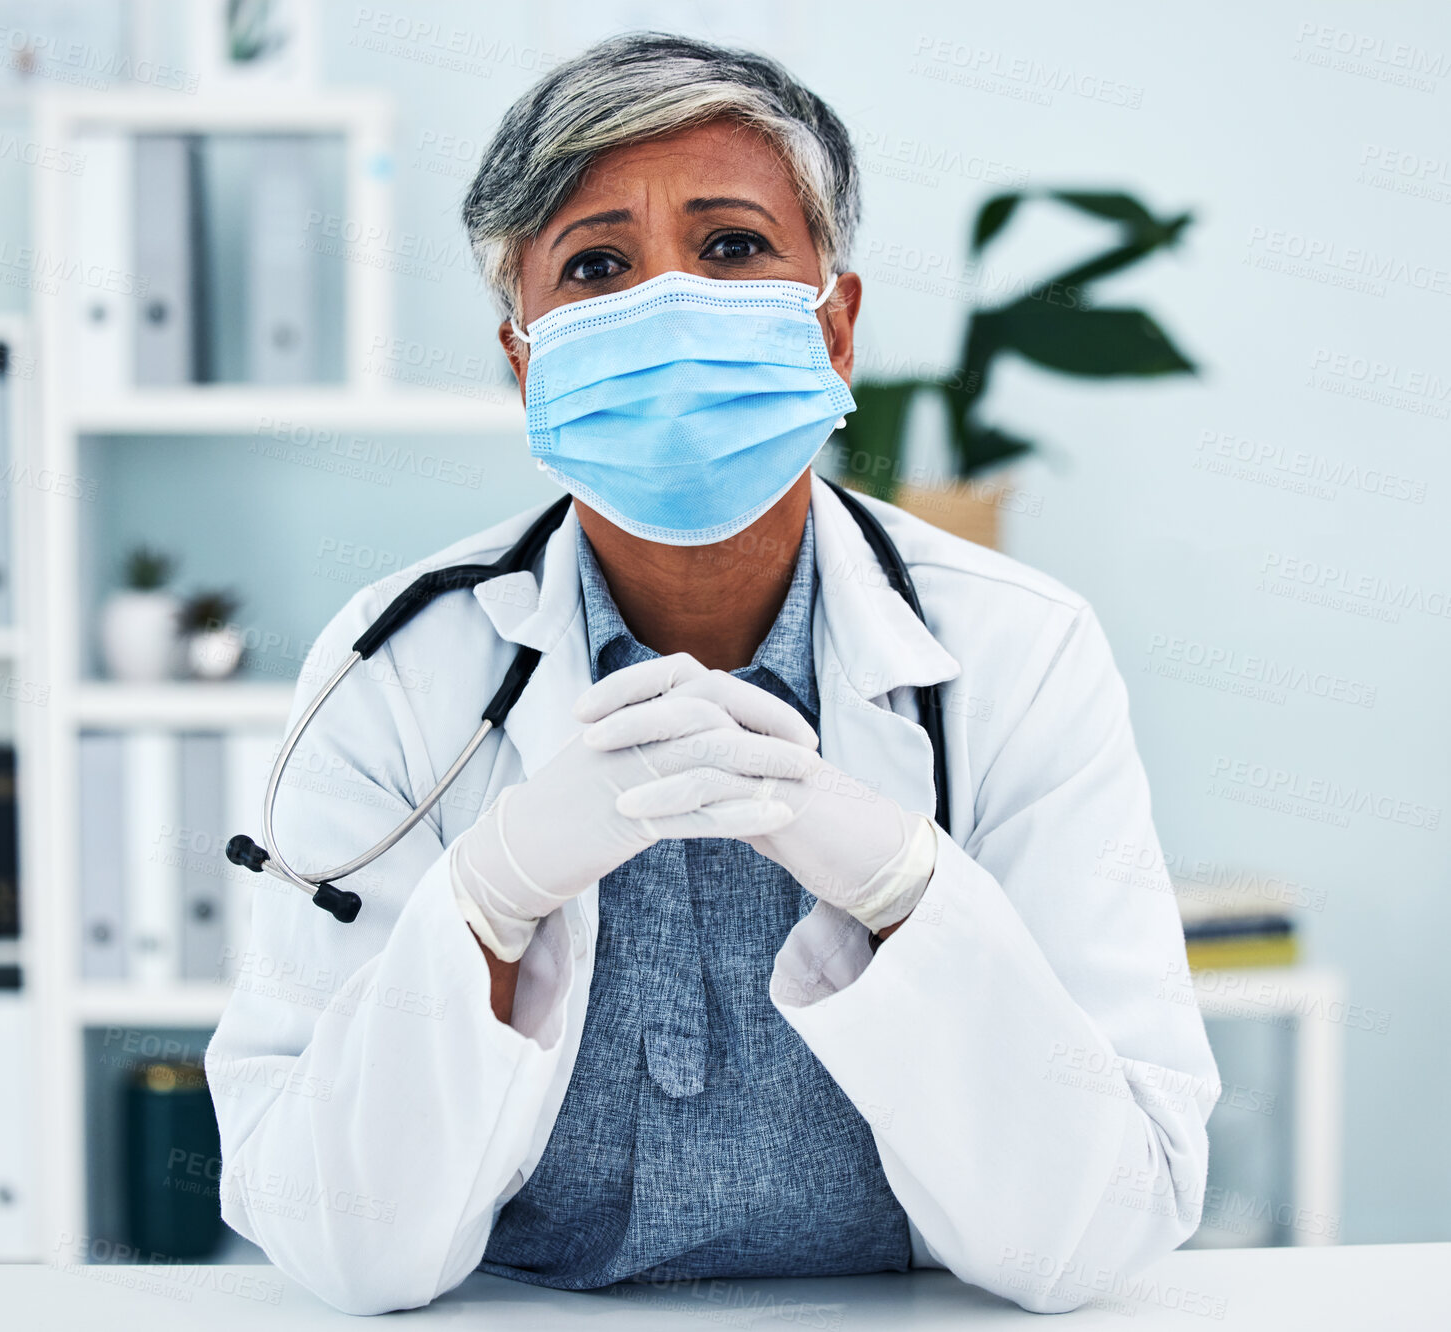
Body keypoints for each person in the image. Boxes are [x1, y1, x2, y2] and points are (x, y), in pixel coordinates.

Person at [206, 32, 1218, 1316]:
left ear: (835, 324)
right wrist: (488, 898)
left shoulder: (1020, 651)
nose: (668, 303)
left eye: (733, 245)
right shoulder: (394, 666)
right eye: (596, 266)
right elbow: (335, 1240)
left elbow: (1097, 1229)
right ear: (524, 359)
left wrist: (907, 890)